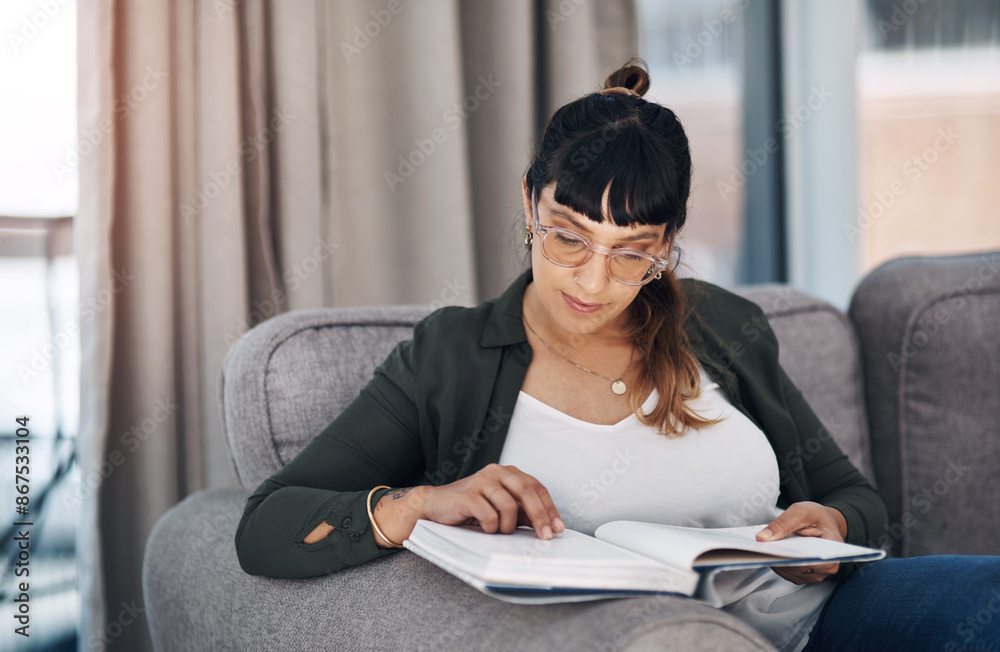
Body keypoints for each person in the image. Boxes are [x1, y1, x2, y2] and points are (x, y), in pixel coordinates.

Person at [235, 59, 1000, 652]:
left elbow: (855, 499)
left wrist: (828, 525)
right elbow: (266, 527)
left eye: (632, 253)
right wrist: (413, 505)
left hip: (820, 623)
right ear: (529, 200)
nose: (594, 281)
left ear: (668, 244)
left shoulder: (725, 328)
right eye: (567, 235)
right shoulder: (452, 355)